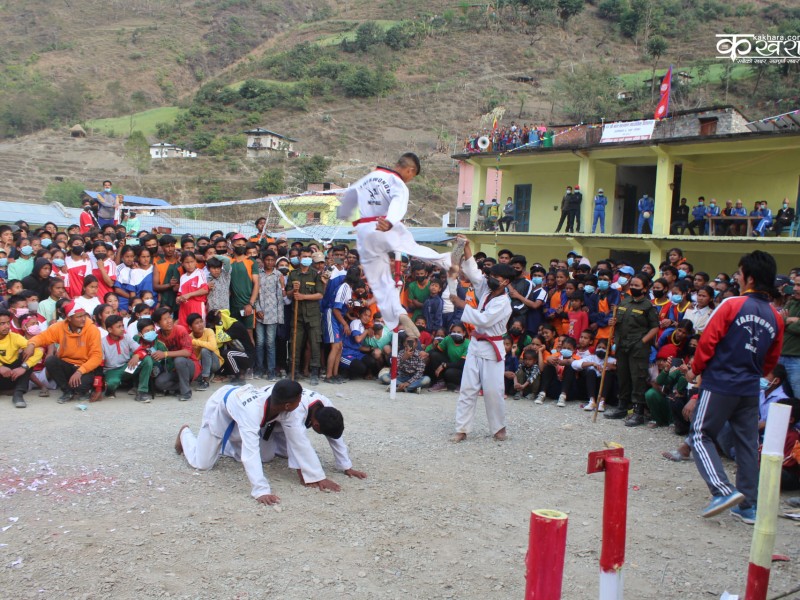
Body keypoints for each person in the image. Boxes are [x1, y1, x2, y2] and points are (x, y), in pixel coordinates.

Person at [687, 250, 784, 523]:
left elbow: (707, 342)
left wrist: (696, 370)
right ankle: (749, 506)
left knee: (699, 434)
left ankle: (722, 490)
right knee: (747, 444)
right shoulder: (775, 316)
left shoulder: (731, 305)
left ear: (750, 278)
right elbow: (772, 359)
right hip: (750, 385)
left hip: (720, 381)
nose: (737, 279)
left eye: (739, 274)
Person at [336, 153, 453, 337]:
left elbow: (348, 201)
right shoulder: (398, 183)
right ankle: (447, 261)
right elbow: (398, 205)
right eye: (412, 176)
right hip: (384, 225)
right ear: (410, 170)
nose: (409, 179)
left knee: (381, 281)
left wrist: (344, 211)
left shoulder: (370, 177)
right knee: (412, 247)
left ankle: (398, 314)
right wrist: (390, 221)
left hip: (365, 231)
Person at [174, 380, 303, 505]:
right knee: (202, 464)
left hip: (238, 411)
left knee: (265, 456)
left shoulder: (281, 404)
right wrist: (261, 490)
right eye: (299, 398)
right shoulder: (252, 411)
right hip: (221, 406)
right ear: (287, 405)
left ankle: (221, 446)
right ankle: (185, 434)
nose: (301, 401)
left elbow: (299, 440)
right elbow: (251, 451)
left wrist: (313, 475)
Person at [449, 236, 514, 442]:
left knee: (494, 391)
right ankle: (462, 429)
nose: (491, 278)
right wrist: (467, 246)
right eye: (491, 274)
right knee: (467, 389)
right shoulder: (486, 290)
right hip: (476, 346)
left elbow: (484, 320)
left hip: (492, 348)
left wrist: (461, 303)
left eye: (496, 276)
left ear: (506, 282)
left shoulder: (503, 302)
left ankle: (499, 428)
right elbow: (474, 272)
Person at [257, 388, 367, 490]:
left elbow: (336, 437)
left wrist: (346, 466)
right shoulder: (296, 412)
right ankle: (250, 441)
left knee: (288, 453)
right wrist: (311, 476)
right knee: (266, 457)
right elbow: (298, 444)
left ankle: (277, 441)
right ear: (316, 425)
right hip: (267, 419)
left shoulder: (327, 406)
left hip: (283, 424)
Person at [603, 273, 659, 424]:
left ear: (645, 288)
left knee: (638, 378)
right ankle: (622, 407)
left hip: (638, 348)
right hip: (622, 345)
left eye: (637, 286)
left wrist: (643, 341)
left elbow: (655, 328)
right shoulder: (624, 302)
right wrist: (612, 322)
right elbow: (618, 322)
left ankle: (638, 412)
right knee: (623, 376)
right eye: (632, 285)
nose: (633, 288)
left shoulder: (648, 306)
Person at [23, 300, 103, 404]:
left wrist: (80, 371)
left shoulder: (92, 329)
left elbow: (97, 356)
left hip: (84, 367)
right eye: (79, 317)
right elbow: (43, 337)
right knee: (50, 360)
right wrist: (31, 344)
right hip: (66, 364)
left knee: (80, 388)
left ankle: (81, 389)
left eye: (84, 315)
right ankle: (67, 391)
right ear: (69, 318)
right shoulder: (59, 327)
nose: (83, 319)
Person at [286, 247, 324, 385]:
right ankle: (293, 372)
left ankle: (314, 373)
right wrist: (293, 291)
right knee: (295, 344)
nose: (306, 258)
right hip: (297, 315)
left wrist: (303, 296)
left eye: (309, 256)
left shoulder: (315, 274)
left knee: (315, 343)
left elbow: (320, 294)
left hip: (313, 315)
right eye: (304, 256)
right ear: (299, 258)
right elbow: (288, 293)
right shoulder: (293, 274)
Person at [152, 307, 201, 401]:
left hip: (190, 365)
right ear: (158, 324)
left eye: (169, 317)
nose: (169, 321)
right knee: (159, 383)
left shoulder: (180, 330)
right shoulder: (157, 335)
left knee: (179, 360)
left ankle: (186, 392)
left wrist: (165, 354)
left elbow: (187, 352)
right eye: (165, 319)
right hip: (173, 369)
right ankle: (181, 385)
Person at [0, 309, 42, 408]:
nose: (7, 326)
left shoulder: (14, 337)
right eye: (2, 323)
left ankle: (18, 394)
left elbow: (39, 351)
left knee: (28, 355)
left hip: (13, 374)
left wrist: (23, 367)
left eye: (7, 323)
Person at [254, 251, 285, 381]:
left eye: (272, 260)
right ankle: (260, 368)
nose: (270, 262)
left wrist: (280, 317)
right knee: (260, 342)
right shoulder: (258, 275)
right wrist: (257, 309)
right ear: (263, 260)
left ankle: (271, 370)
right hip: (260, 313)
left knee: (270, 343)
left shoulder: (278, 275)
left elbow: (280, 297)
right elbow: (254, 293)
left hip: (272, 314)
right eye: (267, 260)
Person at [188, 312, 222, 390]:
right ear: (190, 327)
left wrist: (195, 342)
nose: (200, 325)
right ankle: (206, 374)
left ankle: (205, 380)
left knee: (205, 350)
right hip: (201, 363)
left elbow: (213, 346)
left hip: (215, 363)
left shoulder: (209, 331)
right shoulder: (190, 337)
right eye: (197, 323)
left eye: (201, 322)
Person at [176, 251, 209, 328]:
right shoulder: (182, 277)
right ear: (182, 263)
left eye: (192, 262)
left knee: (198, 329)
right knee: (184, 329)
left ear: (195, 262)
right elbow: (180, 294)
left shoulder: (200, 273)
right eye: (187, 262)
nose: (189, 265)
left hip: (196, 305)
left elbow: (205, 290)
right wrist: (178, 299)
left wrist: (189, 294)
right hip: (184, 307)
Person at [780, 273, 800, 399]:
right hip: (781, 358)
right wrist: (791, 320)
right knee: (783, 399)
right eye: (795, 285)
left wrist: (785, 322)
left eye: (799, 285)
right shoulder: (791, 302)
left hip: (797, 360)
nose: (795, 288)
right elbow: (778, 322)